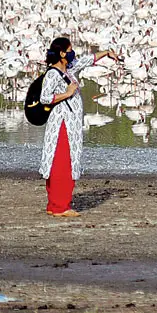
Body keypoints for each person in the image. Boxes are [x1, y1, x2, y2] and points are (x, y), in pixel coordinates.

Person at [39, 37, 117, 217]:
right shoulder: (52, 74)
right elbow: (44, 98)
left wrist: (106, 53)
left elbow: (86, 60)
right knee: (61, 163)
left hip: (72, 124)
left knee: (67, 160)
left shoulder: (69, 69)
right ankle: (60, 206)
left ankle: (55, 204)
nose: (73, 53)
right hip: (62, 124)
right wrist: (67, 93)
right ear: (61, 53)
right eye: (70, 49)